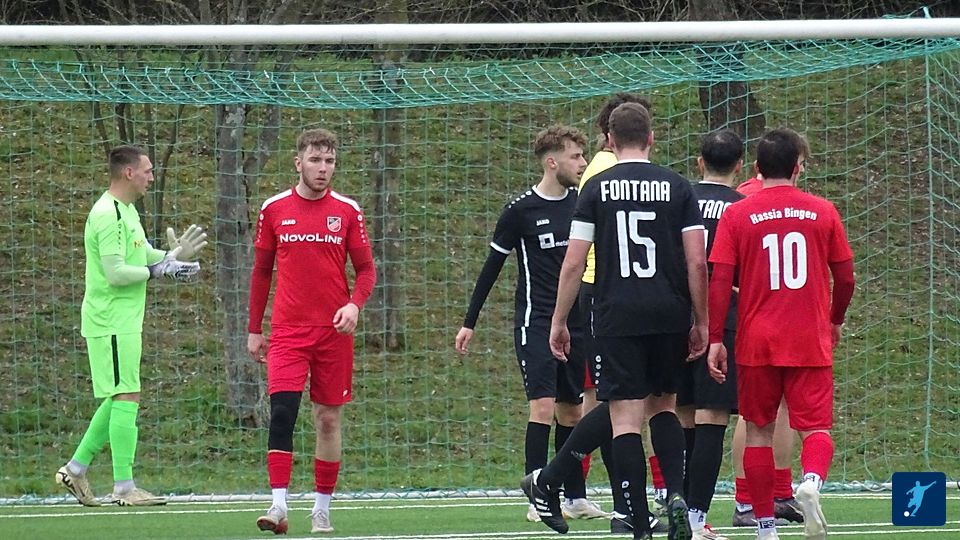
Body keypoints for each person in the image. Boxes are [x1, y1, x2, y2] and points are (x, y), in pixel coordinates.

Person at [523, 102, 707, 540]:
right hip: (668, 310)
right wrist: (702, 319)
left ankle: (638, 522)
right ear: (652, 138)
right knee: (664, 406)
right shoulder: (678, 186)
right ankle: (675, 495)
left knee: (624, 417)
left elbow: (574, 262)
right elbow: (697, 261)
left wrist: (558, 320)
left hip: (615, 311)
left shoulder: (595, 187)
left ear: (609, 140)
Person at [707, 127, 855, 540]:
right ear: (797, 168)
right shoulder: (823, 210)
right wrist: (835, 319)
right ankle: (811, 482)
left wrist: (716, 338)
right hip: (808, 337)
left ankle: (764, 527)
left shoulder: (737, 213)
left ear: (756, 167)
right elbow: (845, 278)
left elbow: (720, 280)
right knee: (816, 428)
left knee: (758, 430)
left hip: (757, 340)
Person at [455, 125, 608, 522]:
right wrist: (470, 322)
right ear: (551, 162)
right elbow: (491, 267)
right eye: (575, 156)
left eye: (583, 155)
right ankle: (536, 497)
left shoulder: (583, 204)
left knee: (572, 413)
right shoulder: (520, 211)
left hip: (577, 324)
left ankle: (574, 497)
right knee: (541, 407)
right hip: (535, 322)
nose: (583, 163)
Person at [56, 145, 206, 507]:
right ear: (128, 173)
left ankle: (75, 469)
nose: (151, 177)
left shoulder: (127, 210)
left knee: (122, 394)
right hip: (109, 319)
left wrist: (172, 257)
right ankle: (123, 487)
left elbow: (141, 254)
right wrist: (158, 270)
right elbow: (116, 272)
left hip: (123, 319)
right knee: (127, 394)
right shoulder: (107, 214)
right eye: (147, 170)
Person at [248, 128, 377, 535]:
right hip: (287, 332)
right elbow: (261, 272)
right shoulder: (273, 209)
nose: (323, 168)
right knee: (283, 412)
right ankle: (278, 505)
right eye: (316, 160)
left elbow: (366, 270)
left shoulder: (347, 211)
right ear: (298, 162)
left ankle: (321, 509)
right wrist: (254, 329)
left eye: (329, 161)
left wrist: (354, 304)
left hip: (332, 335)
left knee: (327, 421)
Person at [577, 92, 667, 535]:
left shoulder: (609, 170)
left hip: (616, 293)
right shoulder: (605, 172)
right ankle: (619, 503)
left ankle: (628, 502)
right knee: (618, 405)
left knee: (626, 403)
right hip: (606, 291)